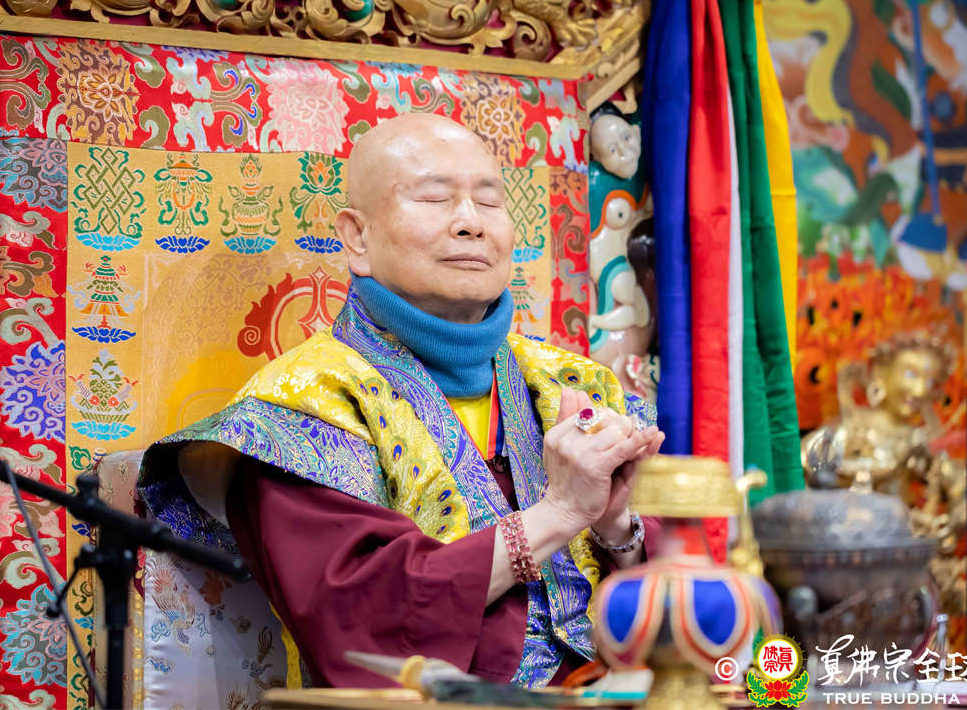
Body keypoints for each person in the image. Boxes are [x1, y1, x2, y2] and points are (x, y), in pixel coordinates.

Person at [139, 113, 664, 689]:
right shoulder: (300, 409)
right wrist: (558, 514)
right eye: (435, 199)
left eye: (490, 202)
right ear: (357, 238)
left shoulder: (572, 384)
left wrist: (617, 529)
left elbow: (686, 599)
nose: (470, 223)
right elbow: (361, 626)